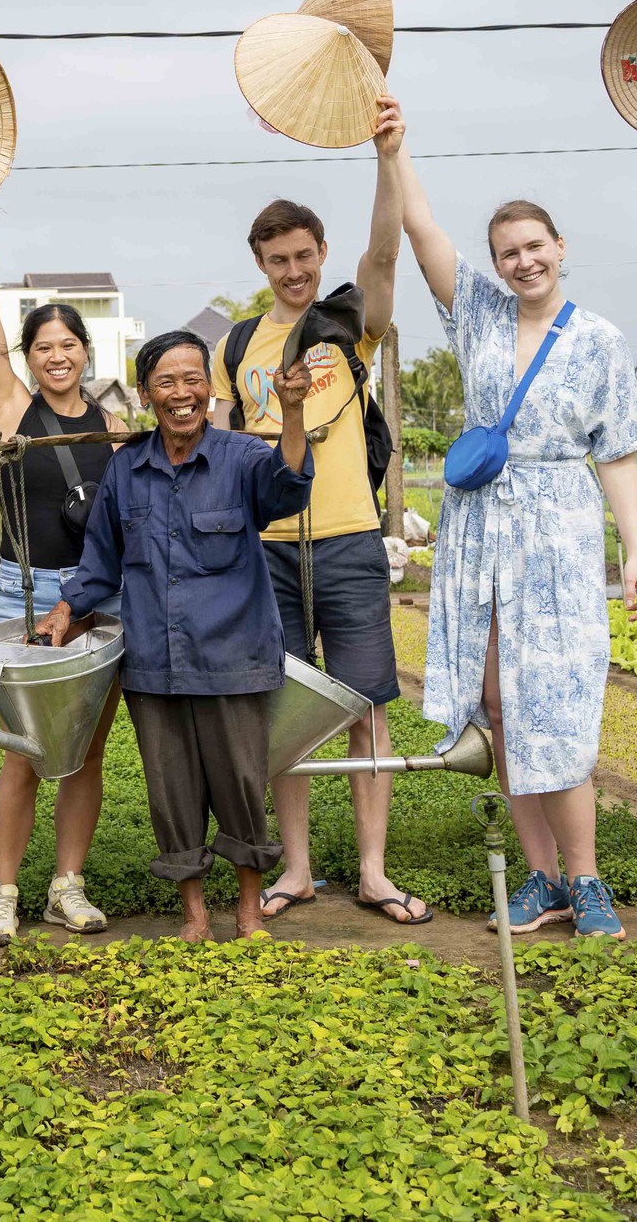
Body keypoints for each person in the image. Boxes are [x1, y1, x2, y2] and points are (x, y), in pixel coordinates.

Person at [384, 97, 637, 940]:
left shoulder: (600, 340)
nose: (523, 260)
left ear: (560, 248)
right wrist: (396, 151)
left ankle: (590, 878)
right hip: (481, 526)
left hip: (560, 526)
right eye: (509, 252)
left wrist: (635, 555)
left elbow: (618, 452)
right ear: (497, 264)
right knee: (501, 699)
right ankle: (542, 876)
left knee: (559, 699)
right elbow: (424, 233)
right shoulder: (480, 316)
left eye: (535, 246)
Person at [37, 331, 312, 940]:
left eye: (193, 380)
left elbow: (289, 489)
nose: (181, 394)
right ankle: (194, 914)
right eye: (166, 382)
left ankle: (246, 911)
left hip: (233, 656)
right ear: (144, 394)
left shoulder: (242, 459)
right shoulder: (127, 471)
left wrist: (291, 412)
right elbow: (101, 560)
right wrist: (66, 609)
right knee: (171, 789)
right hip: (155, 664)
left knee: (241, 785)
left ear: (210, 391)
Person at [213, 146, 424, 927]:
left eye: (304, 255)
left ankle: (373, 869)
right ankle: (296, 868)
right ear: (261, 263)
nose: (294, 271)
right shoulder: (237, 346)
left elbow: (387, 248)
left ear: (322, 253)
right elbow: (225, 450)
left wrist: (387, 156)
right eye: (279, 260)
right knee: (286, 706)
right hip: (266, 551)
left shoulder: (347, 327)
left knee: (368, 704)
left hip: (350, 541)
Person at [0, 191, 123, 945]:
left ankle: (67, 884)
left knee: (85, 747)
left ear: (87, 350)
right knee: (24, 751)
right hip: (24, 592)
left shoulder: (115, 430)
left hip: (98, 597)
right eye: (43, 347)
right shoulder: (10, 411)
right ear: (29, 359)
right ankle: (3, 892)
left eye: (69, 345)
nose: (56, 356)